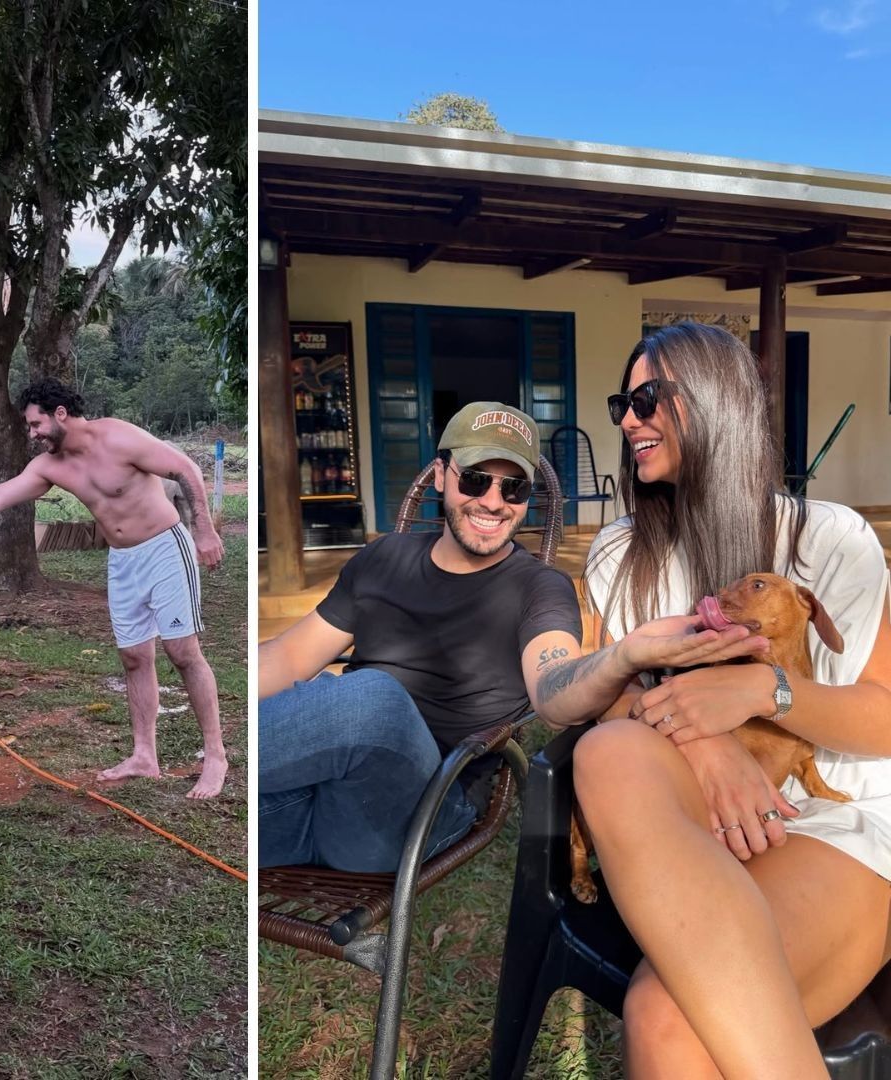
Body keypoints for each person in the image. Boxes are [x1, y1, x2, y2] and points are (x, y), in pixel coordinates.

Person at [523, 323, 891, 1078]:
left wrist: (766, 690)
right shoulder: (623, 554)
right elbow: (593, 705)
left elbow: (883, 717)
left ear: (719, 404)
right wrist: (703, 733)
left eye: (648, 397)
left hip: (831, 825)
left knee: (665, 1017)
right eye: (622, 401)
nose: (626, 419)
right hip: (688, 823)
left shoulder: (833, 540)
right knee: (610, 751)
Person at [257, 402, 585, 869]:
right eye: (475, 478)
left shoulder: (540, 587)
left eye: (514, 488)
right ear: (440, 474)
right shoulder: (383, 557)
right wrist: (216, 706)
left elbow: (556, 687)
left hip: (420, 813)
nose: (494, 502)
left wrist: (622, 659)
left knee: (373, 699)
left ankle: (227, 758)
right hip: (328, 806)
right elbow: (289, 657)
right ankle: (216, 760)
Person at [0, 379, 230, 798]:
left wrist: (203, 529)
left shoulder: (118, 436)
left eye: (36, 424)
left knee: (183, 653)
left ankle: (215, 756)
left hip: (165, 549)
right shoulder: (50, 466)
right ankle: (145, 756)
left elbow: (186, 469)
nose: (33, 433)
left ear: (60, 414)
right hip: (122, 559)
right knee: (133, 657)